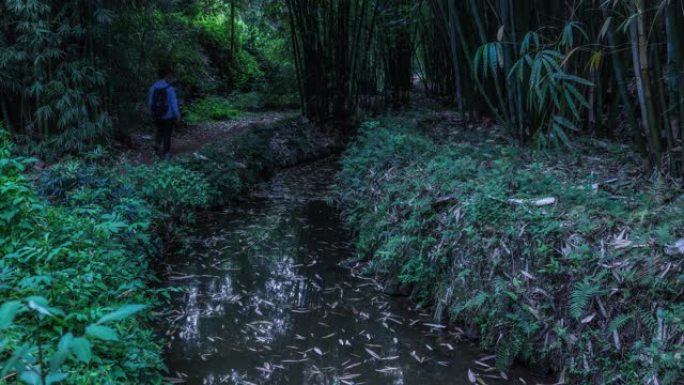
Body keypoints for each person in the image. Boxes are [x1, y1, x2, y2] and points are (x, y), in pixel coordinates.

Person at [148, 68, 181, 159]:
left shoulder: (153, 87)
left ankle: (156, 146)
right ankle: (166, 153)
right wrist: (177, 115)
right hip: (168, 115)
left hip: (156, 114)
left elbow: (150, 102)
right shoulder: (170, 89)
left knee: (159, 130)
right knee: (167, 133)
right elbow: (174, 103)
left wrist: (151, 113)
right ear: (166, 77)